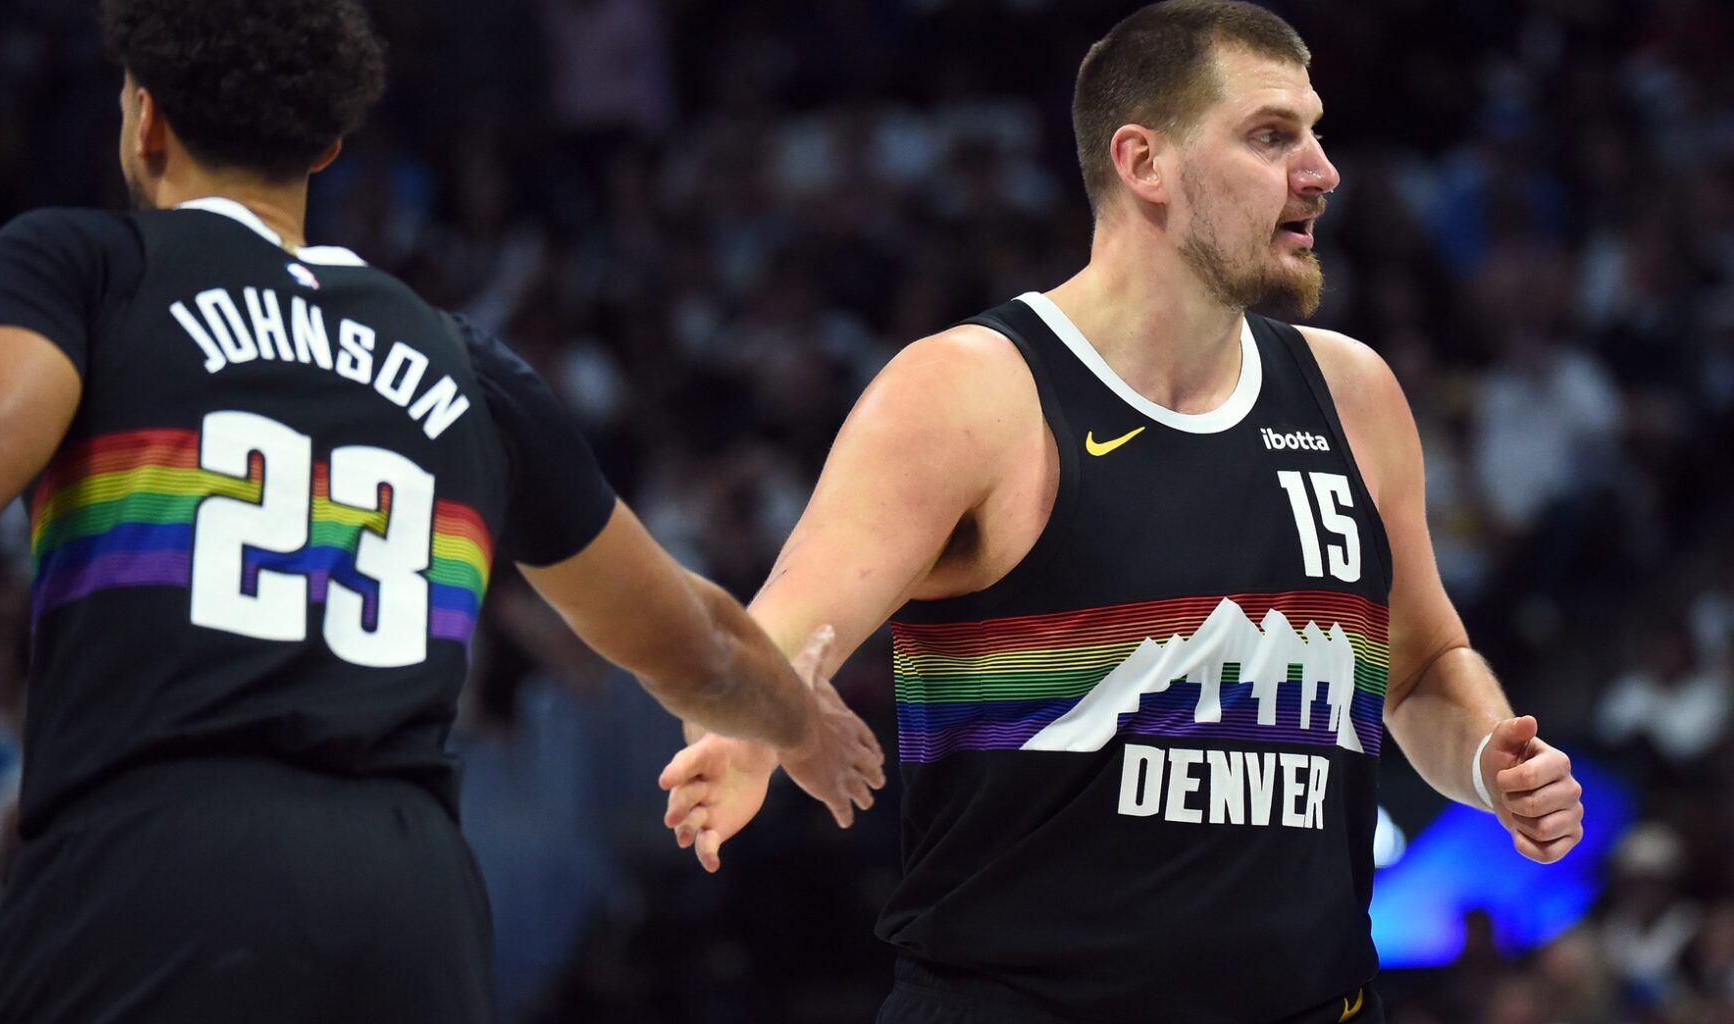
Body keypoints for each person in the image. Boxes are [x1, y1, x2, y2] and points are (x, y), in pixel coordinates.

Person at [0, 0, 884, 1020]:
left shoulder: (83, 268)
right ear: (329, 143)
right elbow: (690, 643)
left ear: (143, 119)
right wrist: (796, 720)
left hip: (155, 862)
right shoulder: (469, 364)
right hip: (404, 899)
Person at [658, 2, 1584, 1021]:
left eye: (1316, 133)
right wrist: (750, 730)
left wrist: (1495, 756)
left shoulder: (1353, 395)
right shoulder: (976, 393)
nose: (1320, 171)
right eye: (1273, 135)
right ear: (1144, 162)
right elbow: (773, 638)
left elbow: (1418, 666)